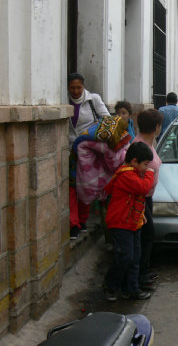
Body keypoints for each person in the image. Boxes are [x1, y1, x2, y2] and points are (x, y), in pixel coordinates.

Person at [103, 142, 155, 302]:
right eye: (145, 164)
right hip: (120, 223)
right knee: (124, 256)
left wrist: (141, 215)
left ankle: (131, 289)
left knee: (134, 257)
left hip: (132, 222)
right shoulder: (127, 175)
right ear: (134, 161)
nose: (147, 168)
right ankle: (110, 286)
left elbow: (134, 198)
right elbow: (142, 189)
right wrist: (150, 174)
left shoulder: (132, 173)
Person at [68, 73, 110, 239]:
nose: (76, 91)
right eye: (72, 88)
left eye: (79, 87)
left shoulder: (93, 99)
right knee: (72, 187)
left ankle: (83, 220)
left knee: (86, 186)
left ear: (83, 86)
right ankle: (73, 223)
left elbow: (106, 119)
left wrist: (90, 133)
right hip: (70, 151)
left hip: (88, 152)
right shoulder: (64, 101)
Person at [133, 109, 163, 291]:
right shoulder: (140, 147)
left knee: (147, 235)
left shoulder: (148, 143)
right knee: (146, 235)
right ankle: (140, 274)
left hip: (146, 197)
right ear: (157, 127)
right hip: (139, 199)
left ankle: (144, 270)